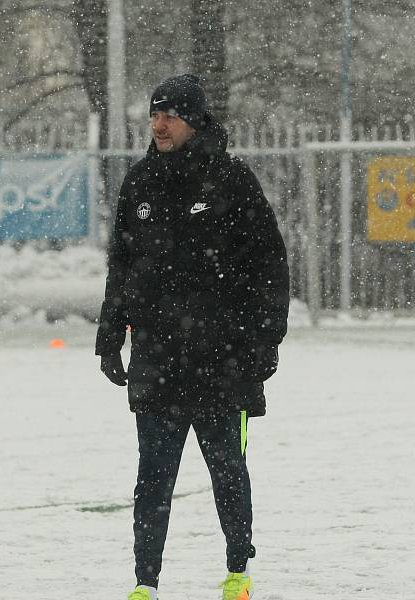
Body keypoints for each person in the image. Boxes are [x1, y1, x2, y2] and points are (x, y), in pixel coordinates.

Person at [96, 74, 289, 600]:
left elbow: (268, 263)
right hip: (157, 356)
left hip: (221, 358)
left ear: (196, 121)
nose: (158, 124)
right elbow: (123, 263)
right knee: (153, 479)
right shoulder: (139, 182)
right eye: (155, 114)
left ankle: (237, 572)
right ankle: (145, 583)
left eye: (170, 115)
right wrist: (109, 334)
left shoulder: (232, 181)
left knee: (228, 471)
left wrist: (265, 337)